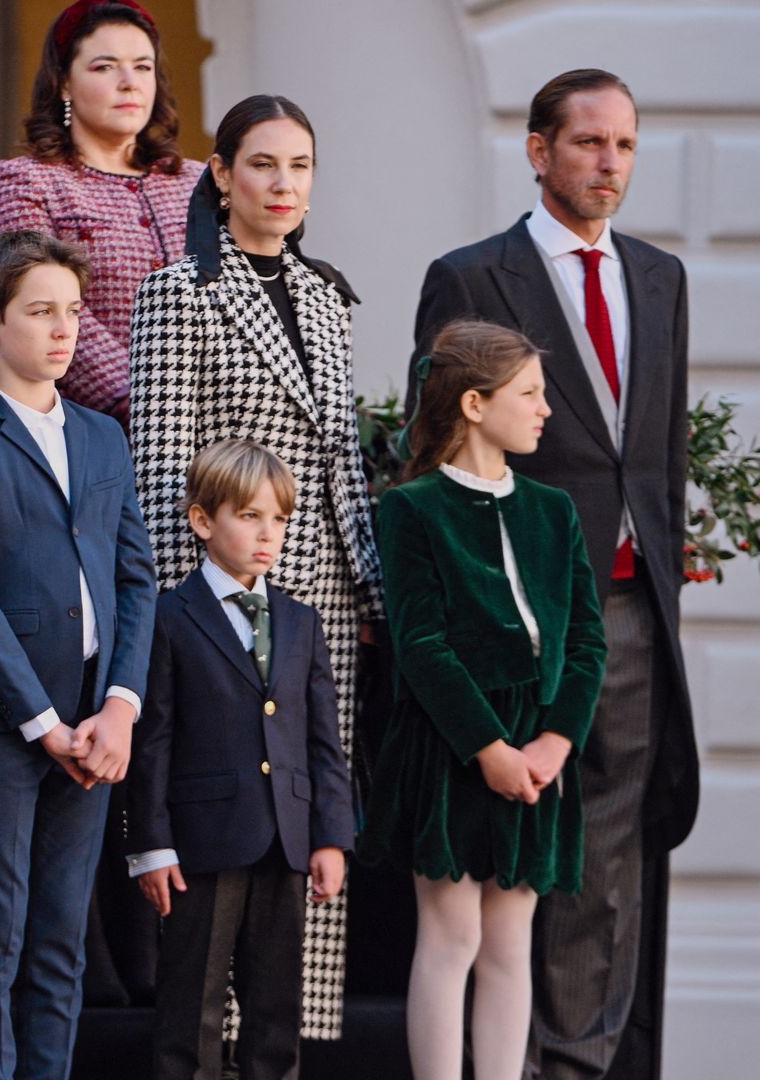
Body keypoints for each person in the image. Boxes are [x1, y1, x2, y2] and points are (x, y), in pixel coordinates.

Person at [409, 69, 696, 1079]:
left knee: (604, 856)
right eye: (588, 143)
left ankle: (577, 1064)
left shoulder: (661, 277)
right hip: (499, 615)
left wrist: (664, 560)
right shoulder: (471, 276)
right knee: (498, 863)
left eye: (623, 144)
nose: (608, 163)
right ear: (539, 151)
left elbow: (655, 453)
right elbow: (433, 444)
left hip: (623, 608)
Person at [128, 94, 380, 1043]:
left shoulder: (328, 295)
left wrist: (372, 588)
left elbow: (343, 460)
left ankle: (276, 1050)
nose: (284, 185)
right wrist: (169, 614)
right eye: (263, 165)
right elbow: (161, 463)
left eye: (300, 167)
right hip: (213, 603)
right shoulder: (177, 290)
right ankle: (212, 1050)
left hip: (317, 592)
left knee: (304, 831)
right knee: (222, 828)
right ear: (221, 175)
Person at [0, 229, 156, 1080]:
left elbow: (136, 578)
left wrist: (120, 705)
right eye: (41, 313)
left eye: (73, 312)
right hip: (2, 724)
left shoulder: (102, 437)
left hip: (97, 720)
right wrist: (43, 723)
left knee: (62, 937)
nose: (64, 330)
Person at [366, 321, 608, 1080]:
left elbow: (588, 643)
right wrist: (491, 750)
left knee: (512, 939)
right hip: (453, 745)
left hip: (539, 747)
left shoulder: (553, 510)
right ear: (475, 403)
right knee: (451, 936)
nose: (544, 410)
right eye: (529, 394)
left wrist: (553, 743)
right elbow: (422, 645)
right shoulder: (413, 509)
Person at [128, 438, 355, 1080]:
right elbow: (153, 742)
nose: (268, 533)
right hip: (200, 845)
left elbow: (323, 743)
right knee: (189, 1009)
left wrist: (331, 837)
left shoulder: (301, 622)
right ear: (203, 521)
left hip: (286, 839)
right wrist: (152, 845)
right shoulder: (169, 617)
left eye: (278, 518)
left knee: (276, 1009)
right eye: (250, 516)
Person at [0, 0, 202, 426]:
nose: (129, 83)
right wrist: (146, 399)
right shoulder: (25, 182)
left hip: (212, 426)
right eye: (105, 67)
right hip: (85, 428)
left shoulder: (196, 183)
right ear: (64, 83)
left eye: (142, 66)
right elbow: (39, 306)